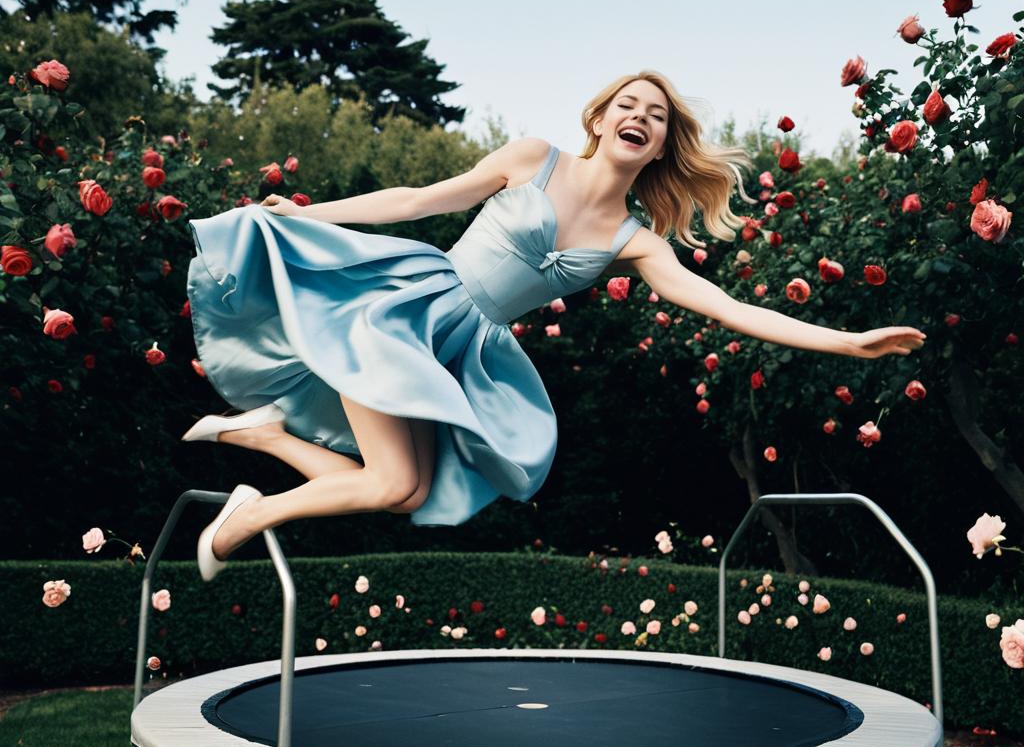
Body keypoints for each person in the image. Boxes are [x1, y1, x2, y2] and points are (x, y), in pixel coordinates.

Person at [182, 70, 926, 579]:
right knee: (392, 482)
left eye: (657, 117)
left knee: (402, 490)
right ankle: (247, 516)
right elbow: (416, 200)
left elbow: (728, 308)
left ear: (661, 146)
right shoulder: (534, 159)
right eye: (629, 105)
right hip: (405, 310)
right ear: (600, 119)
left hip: (458, 351)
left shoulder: (634, 241)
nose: (641, 117)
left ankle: (267, 441)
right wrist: (309, 215)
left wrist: (847, 342)